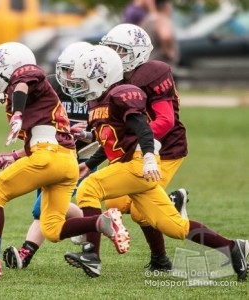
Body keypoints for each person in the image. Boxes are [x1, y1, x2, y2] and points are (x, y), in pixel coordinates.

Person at [59, 44, 249, 282]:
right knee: (174, 227)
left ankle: (91, 255)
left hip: (137, 164)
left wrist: (149, 157)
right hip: (127, 166)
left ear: (101, 76)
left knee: (89, 188)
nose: (77, 84)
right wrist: (89, 156)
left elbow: (143, 130)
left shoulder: (121, 94)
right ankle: (234, 247)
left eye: (84, 78)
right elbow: (110, 138)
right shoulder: (97, 101)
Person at [0, 41, 131, 280]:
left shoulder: (31, 75)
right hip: (66, 161)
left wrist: (17, 112)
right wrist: (15, 155)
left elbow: (23, 83)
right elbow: (46, 135)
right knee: (52, 228)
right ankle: (101, 222)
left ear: (11, 66)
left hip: (48, 157)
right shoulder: (40, 97)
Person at [64, 23, 189, 277]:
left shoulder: (153, 72)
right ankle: (162, 242)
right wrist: (92, 151)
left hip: (165, 149)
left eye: (119, 50)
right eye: (110, 48)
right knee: (115, 202)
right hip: (136, 150)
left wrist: (140, 146)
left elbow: (165, 121)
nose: (113, 55)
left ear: (138, 52)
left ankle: (160, 255)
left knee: (141, 212)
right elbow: (114, 131)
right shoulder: (117, 80)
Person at [1, 41, 98, 269]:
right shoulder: (50, 86)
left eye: (77, 71)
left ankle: (26, 253)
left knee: (41, 208)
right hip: (50, 152)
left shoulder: (99, 92)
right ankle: (88, 223)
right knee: (46, 208)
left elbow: (108, 129)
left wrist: (87, 132)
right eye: (67, 70)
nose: (72, 76)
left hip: (83, 156)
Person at [140, 0, 179, 68]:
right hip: (161, 64)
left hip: (148, 61)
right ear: (166, 7)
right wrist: (169, 52)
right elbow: (166, 36)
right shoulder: (162, 19)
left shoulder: (148, 19)